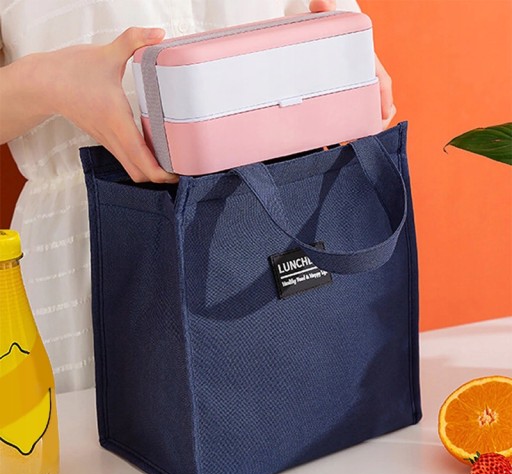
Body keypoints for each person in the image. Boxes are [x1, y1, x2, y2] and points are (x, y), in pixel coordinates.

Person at [0, 0, 395, 392]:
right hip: (102, 235)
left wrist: (341, 48)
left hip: (288, 213)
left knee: (312, 405)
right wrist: (48, 81)